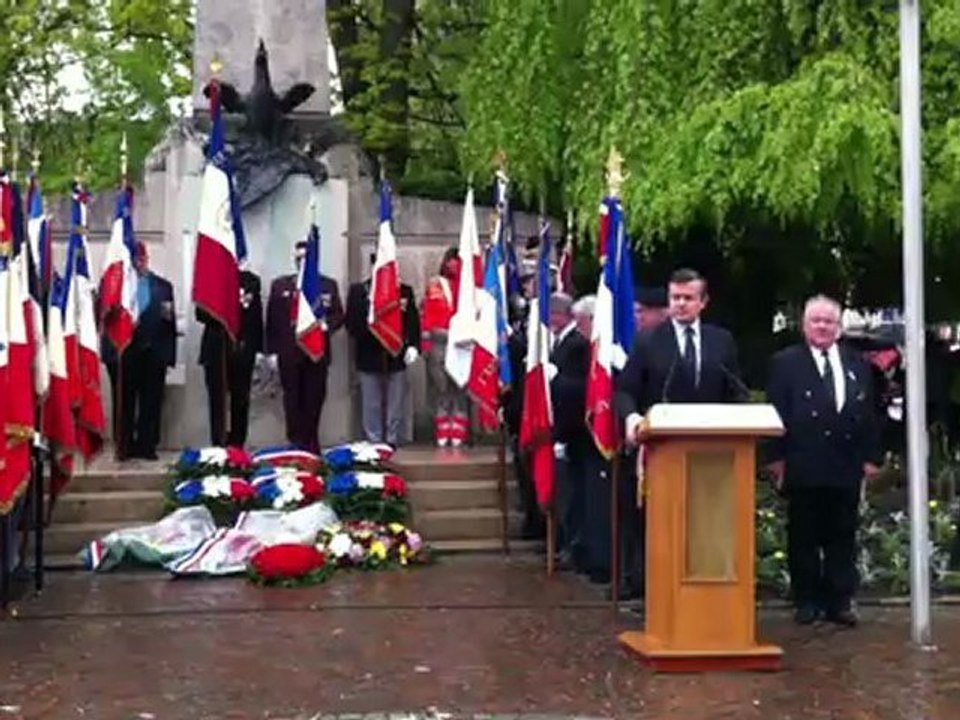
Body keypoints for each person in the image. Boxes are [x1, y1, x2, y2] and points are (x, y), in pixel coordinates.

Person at [765, 294, 881, 627]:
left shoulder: (857, 362)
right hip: (803, 462)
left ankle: (840, 601)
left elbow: (868, 412)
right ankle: (807, 601)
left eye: (828, 321)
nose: (822, 327)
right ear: (804, 325)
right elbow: (775, 413)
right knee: (803, 535)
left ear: (839, 326)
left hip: (845, 464)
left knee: (843, 535)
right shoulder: (786, 362)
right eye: (815, 320)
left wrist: (871, 457)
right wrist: (775, 459)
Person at [617, 267, 748, 445]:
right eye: (675, 298)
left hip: (711, 441)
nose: (681, 304)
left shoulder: (721, 340)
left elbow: (735, 390)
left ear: (703, 302)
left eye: (688, 298)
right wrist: (632, 417)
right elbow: (625, 391)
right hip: (662, 442)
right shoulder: (648, 341)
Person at [265, 241, 345, 453]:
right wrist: (270, 352)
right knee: (292, 399)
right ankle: (295, 441)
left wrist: (327, 325)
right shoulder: (281, 285)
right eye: (298, 258)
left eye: (306, 258)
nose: (301, 262)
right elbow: (272, 320)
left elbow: (338, 313)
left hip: (316, 352)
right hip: (289, 353)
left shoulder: (327, 285)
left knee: (315, 397)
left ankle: (311, 441)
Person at [103, 241, 176, 460]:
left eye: (142, 258)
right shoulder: (115, 288)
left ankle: (147, 445)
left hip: (153, 353)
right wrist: (108, 354)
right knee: (124, 402)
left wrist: (169, 355)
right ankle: (124, 445)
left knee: (151, 402)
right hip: (124, 353)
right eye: (135, 259)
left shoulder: (163, 287)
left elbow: (168, 323)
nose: (139, 262)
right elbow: (104, 323)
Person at [345, 254, 420, 446]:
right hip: (368, 354)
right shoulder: (359, 291)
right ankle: (374, 443)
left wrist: (414, 346)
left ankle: (392, 441)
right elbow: (351, 325)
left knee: (396, 404)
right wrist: (371, 318)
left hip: (396, 355)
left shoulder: (404, 291)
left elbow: (413, 322)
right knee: (371, 404)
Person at [548, 293, 591, 571]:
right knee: (567, 495)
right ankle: (567, 544)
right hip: (562, 429)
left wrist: (556, 379)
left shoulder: (576, 345)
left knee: (575, 496)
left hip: (574, 430)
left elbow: (580, 389)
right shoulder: (565, 342)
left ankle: (574, 547)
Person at [197, 268, 263, 447]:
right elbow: (200, 314)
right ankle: (218, 444)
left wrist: (257, 349)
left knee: (241, 401)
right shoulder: (210, 276)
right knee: (217, 400)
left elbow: (255, 317)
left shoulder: (251, 281)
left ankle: (237, 445)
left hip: (242, 349)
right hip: (216, 349)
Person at [421, 247, 469, 447]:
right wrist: (424, 343)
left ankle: (458, 428)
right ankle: (442, 427)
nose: (453, 264)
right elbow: (425, 314)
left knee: (459, 386)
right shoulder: (434, 285)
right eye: (451, 260)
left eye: (457, 260)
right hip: (438, 340)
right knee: (440, 387)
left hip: (461, 341)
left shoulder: (469, 287)